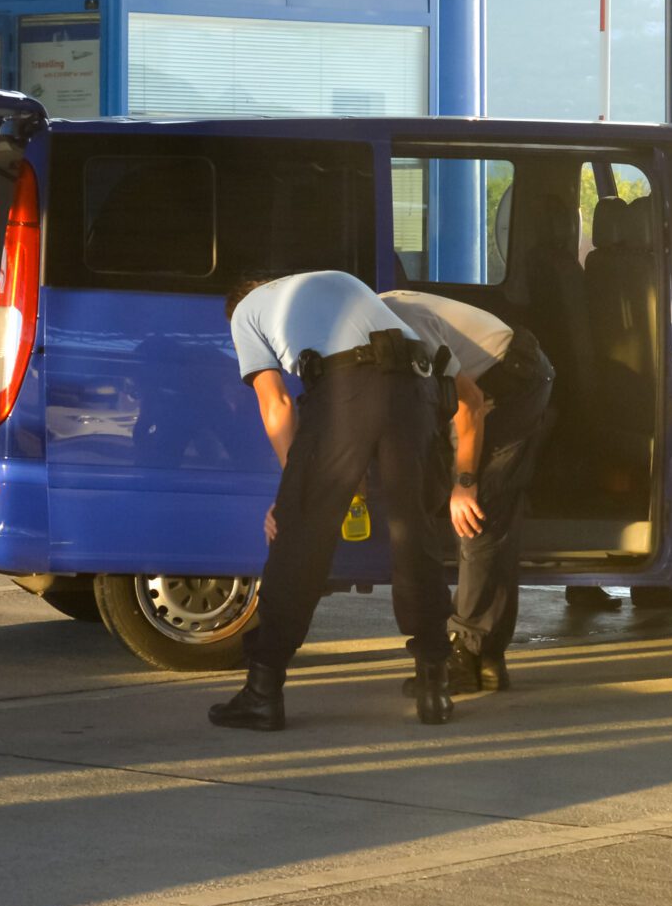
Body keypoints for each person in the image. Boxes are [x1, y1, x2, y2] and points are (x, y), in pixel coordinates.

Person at [210, 271, 457, 732]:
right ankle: (435, 686)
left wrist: (294, 491)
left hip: (349, 386)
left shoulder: (245, 313)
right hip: (417, 384)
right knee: (414, 532)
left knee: (299, 537)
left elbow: (277, 403)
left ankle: (262, 693)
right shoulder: (337, 280)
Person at [382, 289, 554, 692]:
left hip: (511, 380)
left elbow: (469, 403)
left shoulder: (401, 330)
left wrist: (465, 482)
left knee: (477, 514)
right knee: (485, 514)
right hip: (493, 374)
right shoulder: (374, 318)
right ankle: (488, 657)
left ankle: (469, 653)